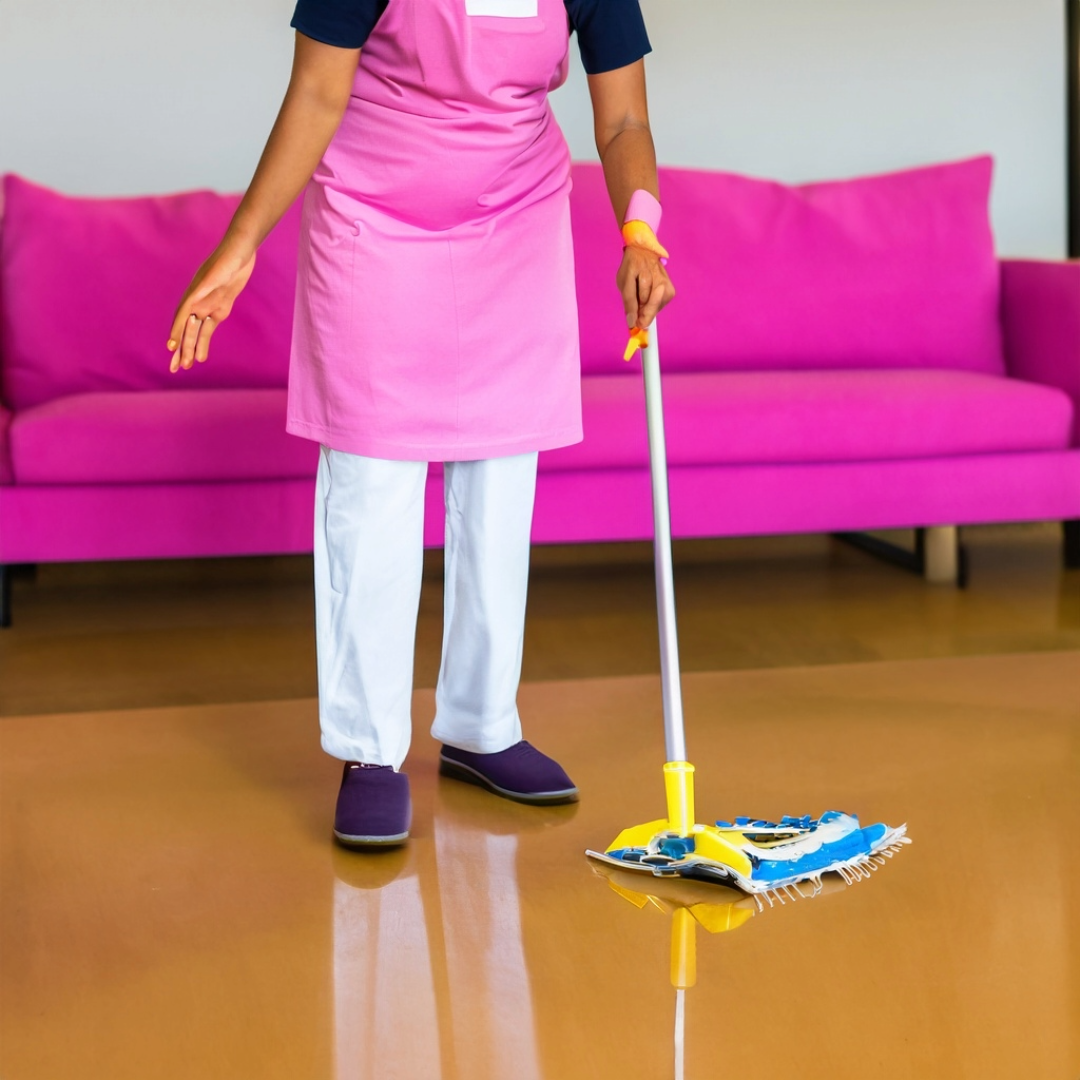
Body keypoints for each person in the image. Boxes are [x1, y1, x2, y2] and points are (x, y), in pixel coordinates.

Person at [166, 0, 675, 848]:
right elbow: (317, 95)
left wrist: (640, 228)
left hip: (516, 220)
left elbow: (623, 115)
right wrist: (243, 241)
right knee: (372, 487)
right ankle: (370, 751)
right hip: (375, 215)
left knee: (501, 480)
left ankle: (481, 724)